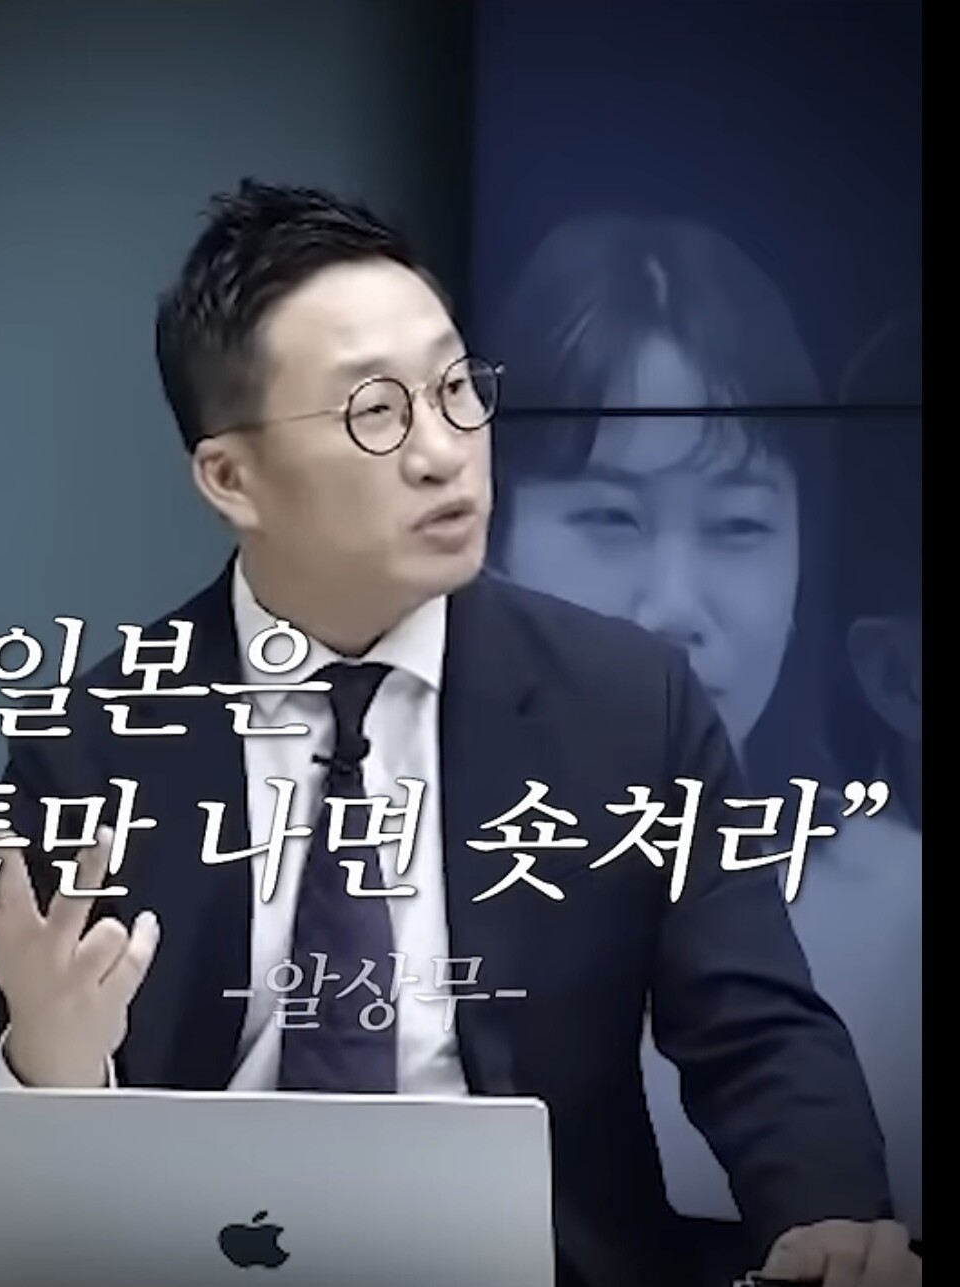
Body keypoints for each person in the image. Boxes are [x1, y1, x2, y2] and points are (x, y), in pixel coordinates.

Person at [0, 182, 919, 1287]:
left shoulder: (629, 702)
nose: (445, 451)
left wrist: (832, 1218)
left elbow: (754, 1029)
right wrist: (52, 1065)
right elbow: (61, 1180)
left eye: (455, 390)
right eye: (375, 413)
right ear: (231, 477)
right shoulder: (96, 741)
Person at [485, 215, 922, 1266]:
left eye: (738, 526)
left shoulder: (905, 916)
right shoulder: (387, 871)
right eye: (610, 519)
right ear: (488, 533)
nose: (675, 606)